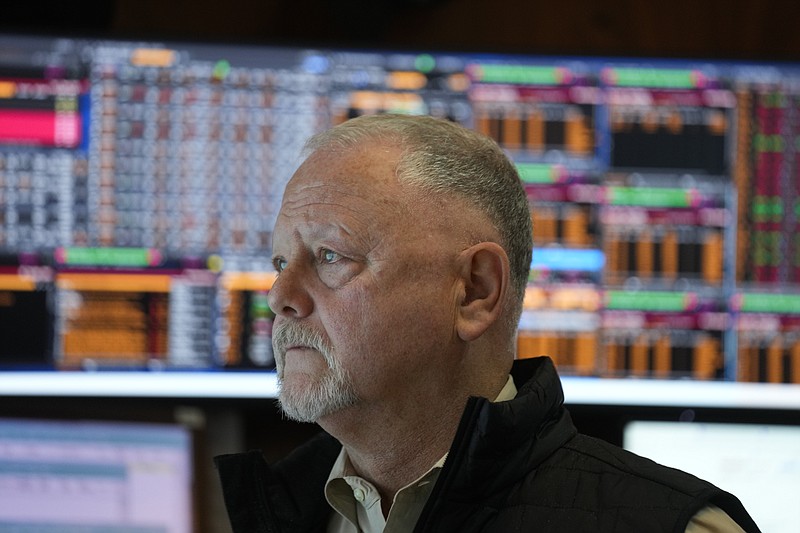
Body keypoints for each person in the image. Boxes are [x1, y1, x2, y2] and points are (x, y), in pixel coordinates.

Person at [215, 114, 760, 532]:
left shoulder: (672, 527)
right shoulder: (268, 512)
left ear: (475, 291)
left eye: (331, 255)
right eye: (281, 263)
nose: (280, 297)